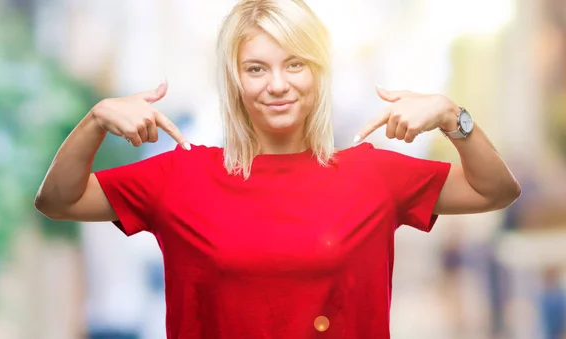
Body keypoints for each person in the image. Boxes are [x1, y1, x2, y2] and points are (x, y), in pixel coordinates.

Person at [34, 0, 522, 338]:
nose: (277, 85)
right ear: (235, 80)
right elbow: (58, 201)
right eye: (256, 68)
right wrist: (96, 120)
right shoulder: (180, 176)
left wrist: (452, 117)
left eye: (295, 64)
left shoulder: (372, 176)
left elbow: (496, 191)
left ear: (317, 72)